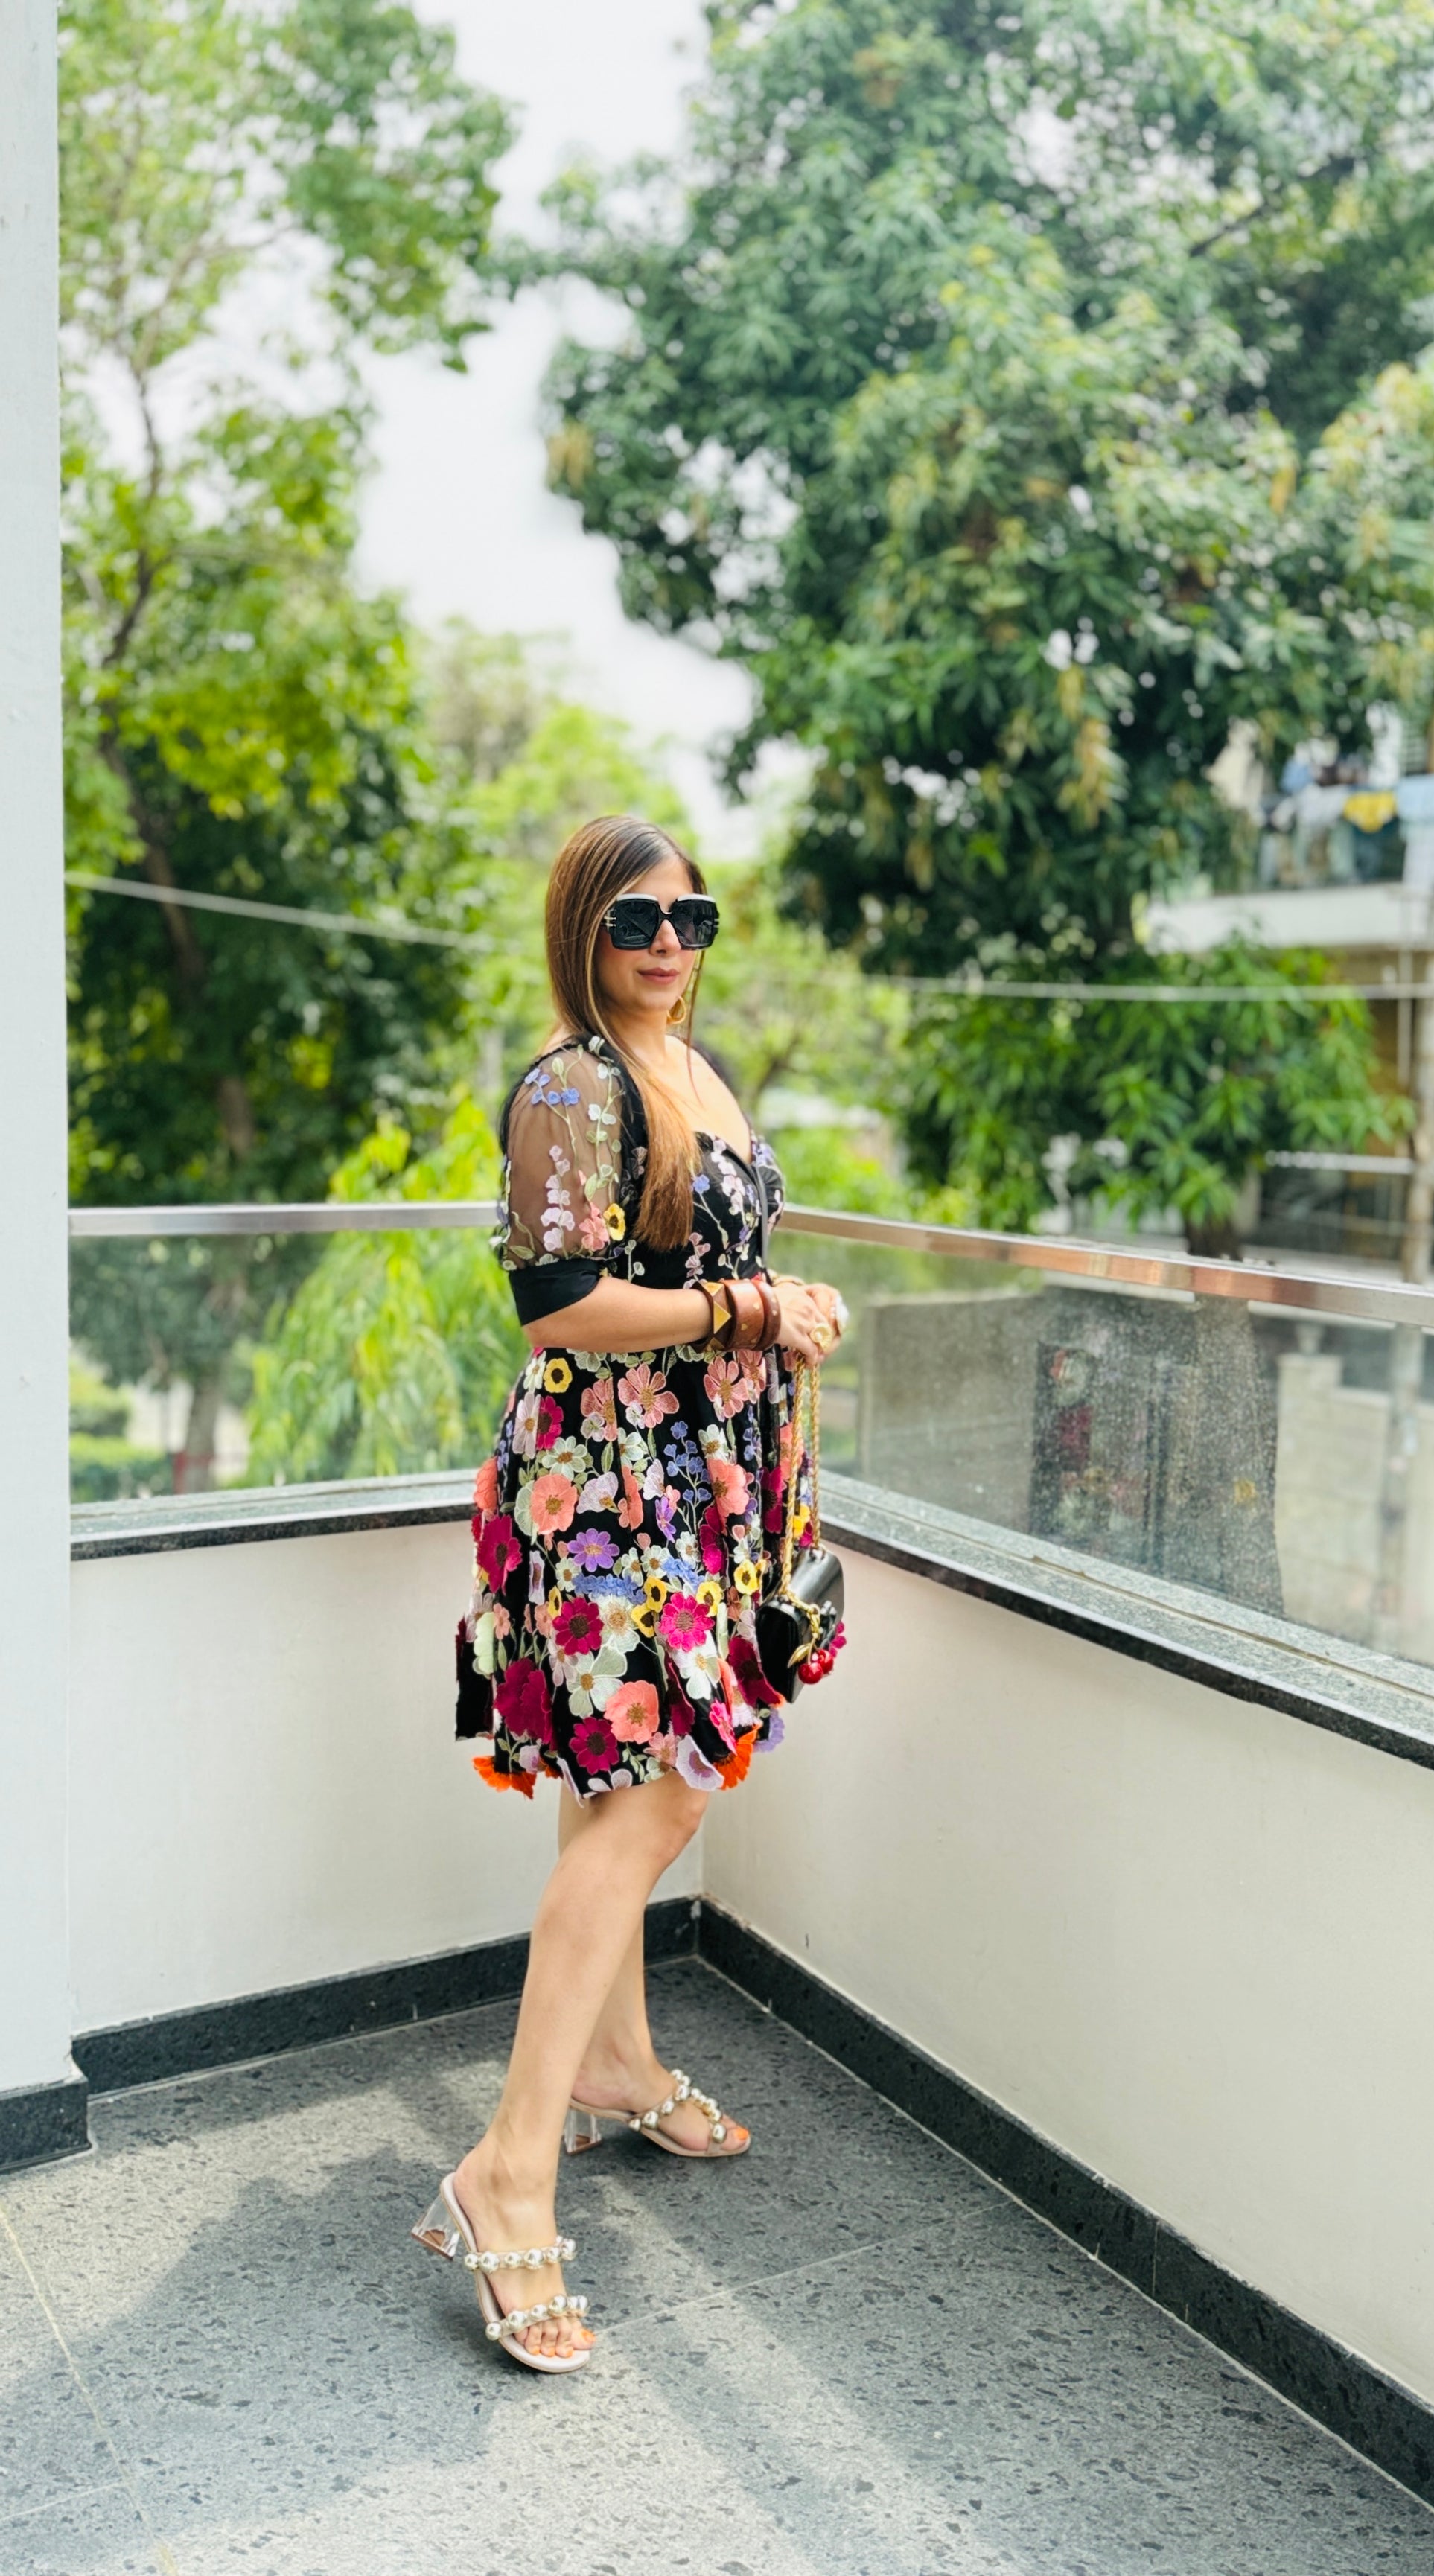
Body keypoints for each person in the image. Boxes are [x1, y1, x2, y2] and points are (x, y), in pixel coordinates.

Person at [412, 814, 845, 2373]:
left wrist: (778, 1312)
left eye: (691, 917)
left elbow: (709, 1266)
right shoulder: (572, 1085)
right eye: (635, 920)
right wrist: (750, 1305)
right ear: (583, 931)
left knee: (622, 1789)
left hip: (702, 1476)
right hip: (608, 1487)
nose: (669, 943)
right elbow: (554, 1305)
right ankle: (507, 2170)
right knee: (662, 1794)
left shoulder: (692, 1068)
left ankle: (615, 2062)